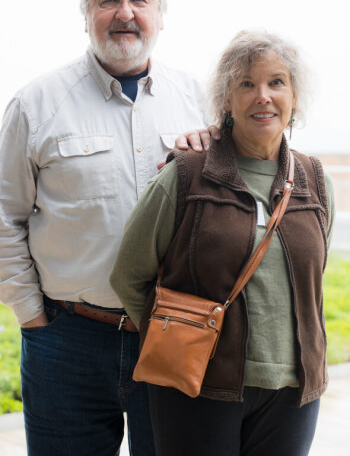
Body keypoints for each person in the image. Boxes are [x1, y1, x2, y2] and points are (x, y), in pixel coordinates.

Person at [0, 0, 208, 456]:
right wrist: (32, 316)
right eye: (108, 0)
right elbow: (5, 216)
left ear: (160, 14)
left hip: (170, 335)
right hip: (65, 341)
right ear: (86, 13)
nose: (125, 12)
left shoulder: (198, 101)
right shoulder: (36, 103)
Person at [111, 30, 335, 456]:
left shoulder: (316, 181)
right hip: (199, 385)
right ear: (227, 101)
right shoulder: (186, 175)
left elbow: (313, 281)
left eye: (276, 82)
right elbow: (130, 275)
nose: (262, 96)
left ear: (295, 97)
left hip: (293, 391)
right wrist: (174, 337)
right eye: (246, 84)